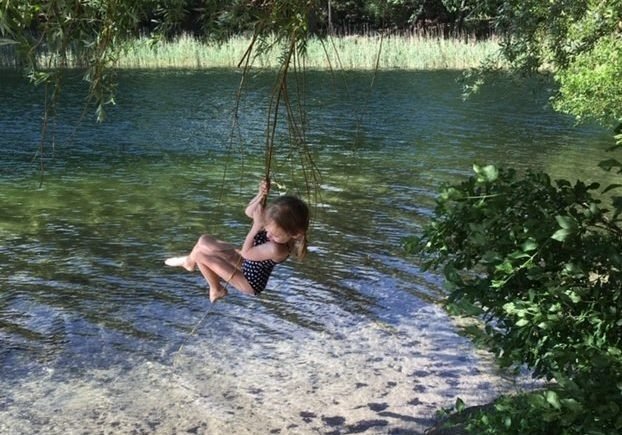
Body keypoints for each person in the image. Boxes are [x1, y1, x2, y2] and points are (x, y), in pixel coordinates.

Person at [164, 179, 310, 303]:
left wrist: (257, 226)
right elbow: (248, 212)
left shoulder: (276, 249)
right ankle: (189, 263)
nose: (268, 235)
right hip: (245, 263)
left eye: (275, 235)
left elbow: (246, 253)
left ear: (295, 234)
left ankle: (216, 289)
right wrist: (261, 195)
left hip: (248, 281)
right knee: (204, 241)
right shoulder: (275, 222)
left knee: (201, 255)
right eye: (268, 229)